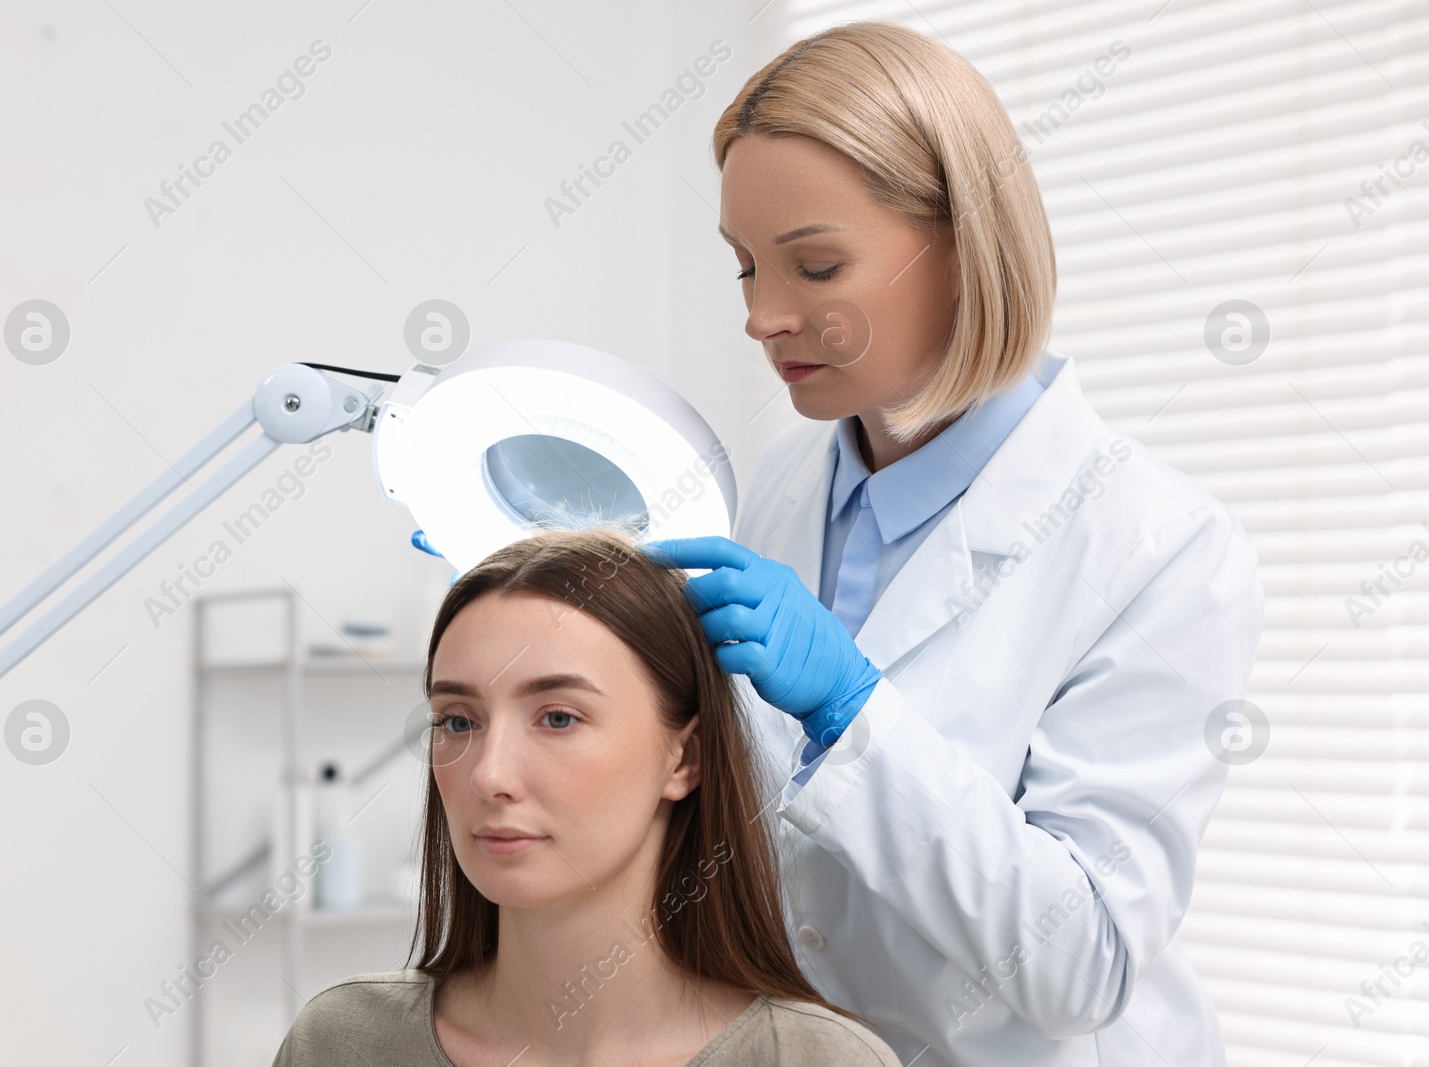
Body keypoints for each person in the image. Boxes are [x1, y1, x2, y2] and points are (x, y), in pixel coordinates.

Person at [643, 20, 1266, 1067]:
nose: (763, 317)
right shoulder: (787, 488)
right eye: (746, 268)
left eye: (816, 265)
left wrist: (854, 714)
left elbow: (1086, 963)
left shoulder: (1161, 547)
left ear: (963, 243)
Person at [272, 528, 902, 1066]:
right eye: (458, 721)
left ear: (685, 757)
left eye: (558, 718)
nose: (490, 775)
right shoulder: (343, 1044)